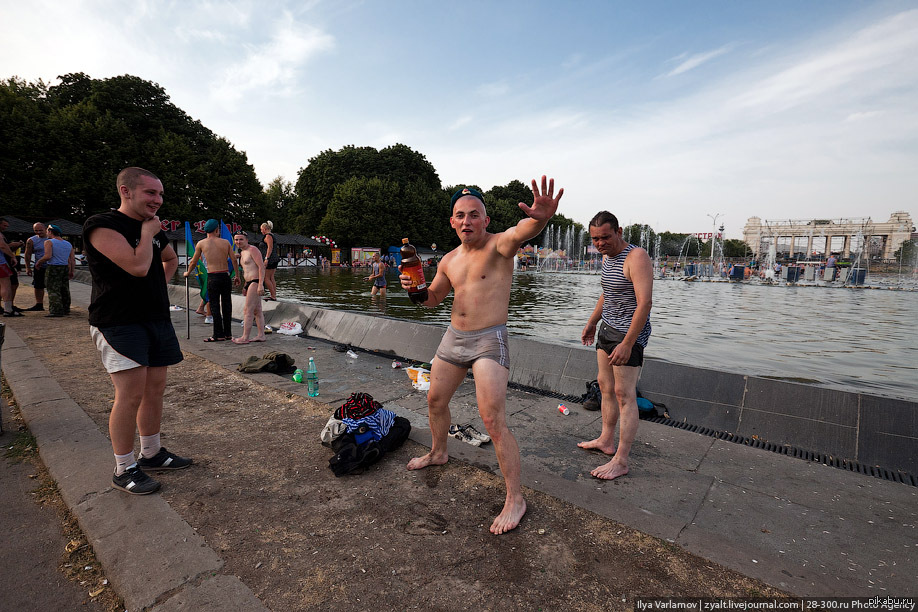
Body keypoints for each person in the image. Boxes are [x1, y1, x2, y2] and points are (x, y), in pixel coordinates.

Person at [400, 176, 563, 535]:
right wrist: (414, 291)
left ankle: (515, 499)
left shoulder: (499, 247)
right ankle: (439, 451)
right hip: (454, 337)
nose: (467, 221)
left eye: (474, 214)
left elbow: (522, 231)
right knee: (434, 399)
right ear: (452, 221)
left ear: (485, 221)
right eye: (460, 215)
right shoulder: (449, 260)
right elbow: (433, 299)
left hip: (490, 340)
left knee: (492, 419)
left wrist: (542, 218)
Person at [83, 167, 191, 495]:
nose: (157, 200)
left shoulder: (153, 228)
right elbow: (137, 265)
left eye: (160, 194)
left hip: (155, 318)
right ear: (126, 191)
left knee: (154, 389)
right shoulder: (102, 225)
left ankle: (152, 452)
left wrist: (159, 284)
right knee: (129, 394)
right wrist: (148, 233)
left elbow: (169, 260)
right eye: (150, 193)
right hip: (118, 320)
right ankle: (123, 467)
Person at [578, 211, 653, 481]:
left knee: (624, 394)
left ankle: (621, 460)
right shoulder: (607, 258)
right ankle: (606, 441)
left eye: (605, 237)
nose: (600, 243)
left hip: (628, 334)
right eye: (595, 239)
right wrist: (591, 323)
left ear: (618, 231)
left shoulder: (637, 257)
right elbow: (607, 294)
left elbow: (644, 303)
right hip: (608, 328)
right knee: (605, 386)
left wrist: (628, 343)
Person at [184, 219, 239, 342]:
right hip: (225, 276)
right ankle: (228, 333)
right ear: (216, 230)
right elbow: (234, 260)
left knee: (214, 305)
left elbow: (194, 261)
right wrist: (237, 276)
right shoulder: (225, 243)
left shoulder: (201, 243)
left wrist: (188, 272)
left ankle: (218, 334)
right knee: (227, 305)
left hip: (212, 276)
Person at [232, 231, 266, 344]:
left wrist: (261, 284)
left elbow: (261, 267)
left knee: (248, 310)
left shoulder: (253, 249)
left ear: (247, 240)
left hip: (256, 282)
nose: (238, 242)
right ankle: (261, 335)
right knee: (257, 310)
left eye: (241, 239)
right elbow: (247, 270)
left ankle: (245, 337)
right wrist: (245, 286)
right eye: (236, 239)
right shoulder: (242, 252)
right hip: (249, 282)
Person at [34, 225, 75, 317]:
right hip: (64, 267)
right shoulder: (68, 244)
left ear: (50, 232)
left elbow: (48, 256)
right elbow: (72, 259)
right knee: (64, 288)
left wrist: (39, 262)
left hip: (53, 266)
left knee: (53, 288)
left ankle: (56, 310)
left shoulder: (49, 242)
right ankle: (66, 308)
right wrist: (72, 270)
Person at [23, 222, 47, 310]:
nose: (38, 232)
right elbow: (27, 254)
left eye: (40, 230)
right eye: (36, 230)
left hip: (52, 265)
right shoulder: (31, 240)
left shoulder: (52, 238)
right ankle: (39, 304)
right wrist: (27, 267)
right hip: (39, 266)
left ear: (45, 229)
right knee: (38, 285)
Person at [0, 219, 23, 311]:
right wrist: (12, 256)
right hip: (1, 263)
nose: (5, 228)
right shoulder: (0, 235)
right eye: (4, 225)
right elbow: (2, 246)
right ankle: (8, 309)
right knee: (7, 285)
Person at [259, 221, 278, 301]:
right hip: (273, 258)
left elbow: (270, 248)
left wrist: (266, 259)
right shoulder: (272, 235)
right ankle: (273, 295)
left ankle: (273, 295)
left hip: (270, 259)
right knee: (271, 277)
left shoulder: (268, 236)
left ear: (265, 228)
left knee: (266, 278)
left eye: (261, 229)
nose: (261, 231)